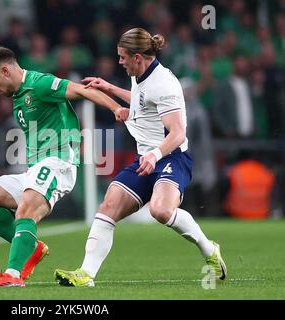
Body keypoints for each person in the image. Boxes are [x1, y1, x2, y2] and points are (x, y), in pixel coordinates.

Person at [54, 28, 227, 287]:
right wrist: (110, 88)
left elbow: (178, 133)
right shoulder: (141, 75)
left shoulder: (164, 84)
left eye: (123, 57)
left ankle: (209, 249)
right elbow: (143, 100)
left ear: (137, 57)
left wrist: (155, 155)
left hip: (171, 158)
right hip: (147, 157)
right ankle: (86, 274)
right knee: (108, 206)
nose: (120, 62)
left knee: (160, 210)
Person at [0, 46, 127, 288]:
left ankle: (13, 275)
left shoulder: (39, 84)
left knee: (26, 210)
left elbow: (81, 90)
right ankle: (30, 246)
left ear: (5, 70)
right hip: (34, 170)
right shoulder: (18, 96)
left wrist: (115, 108)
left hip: (58, 163)